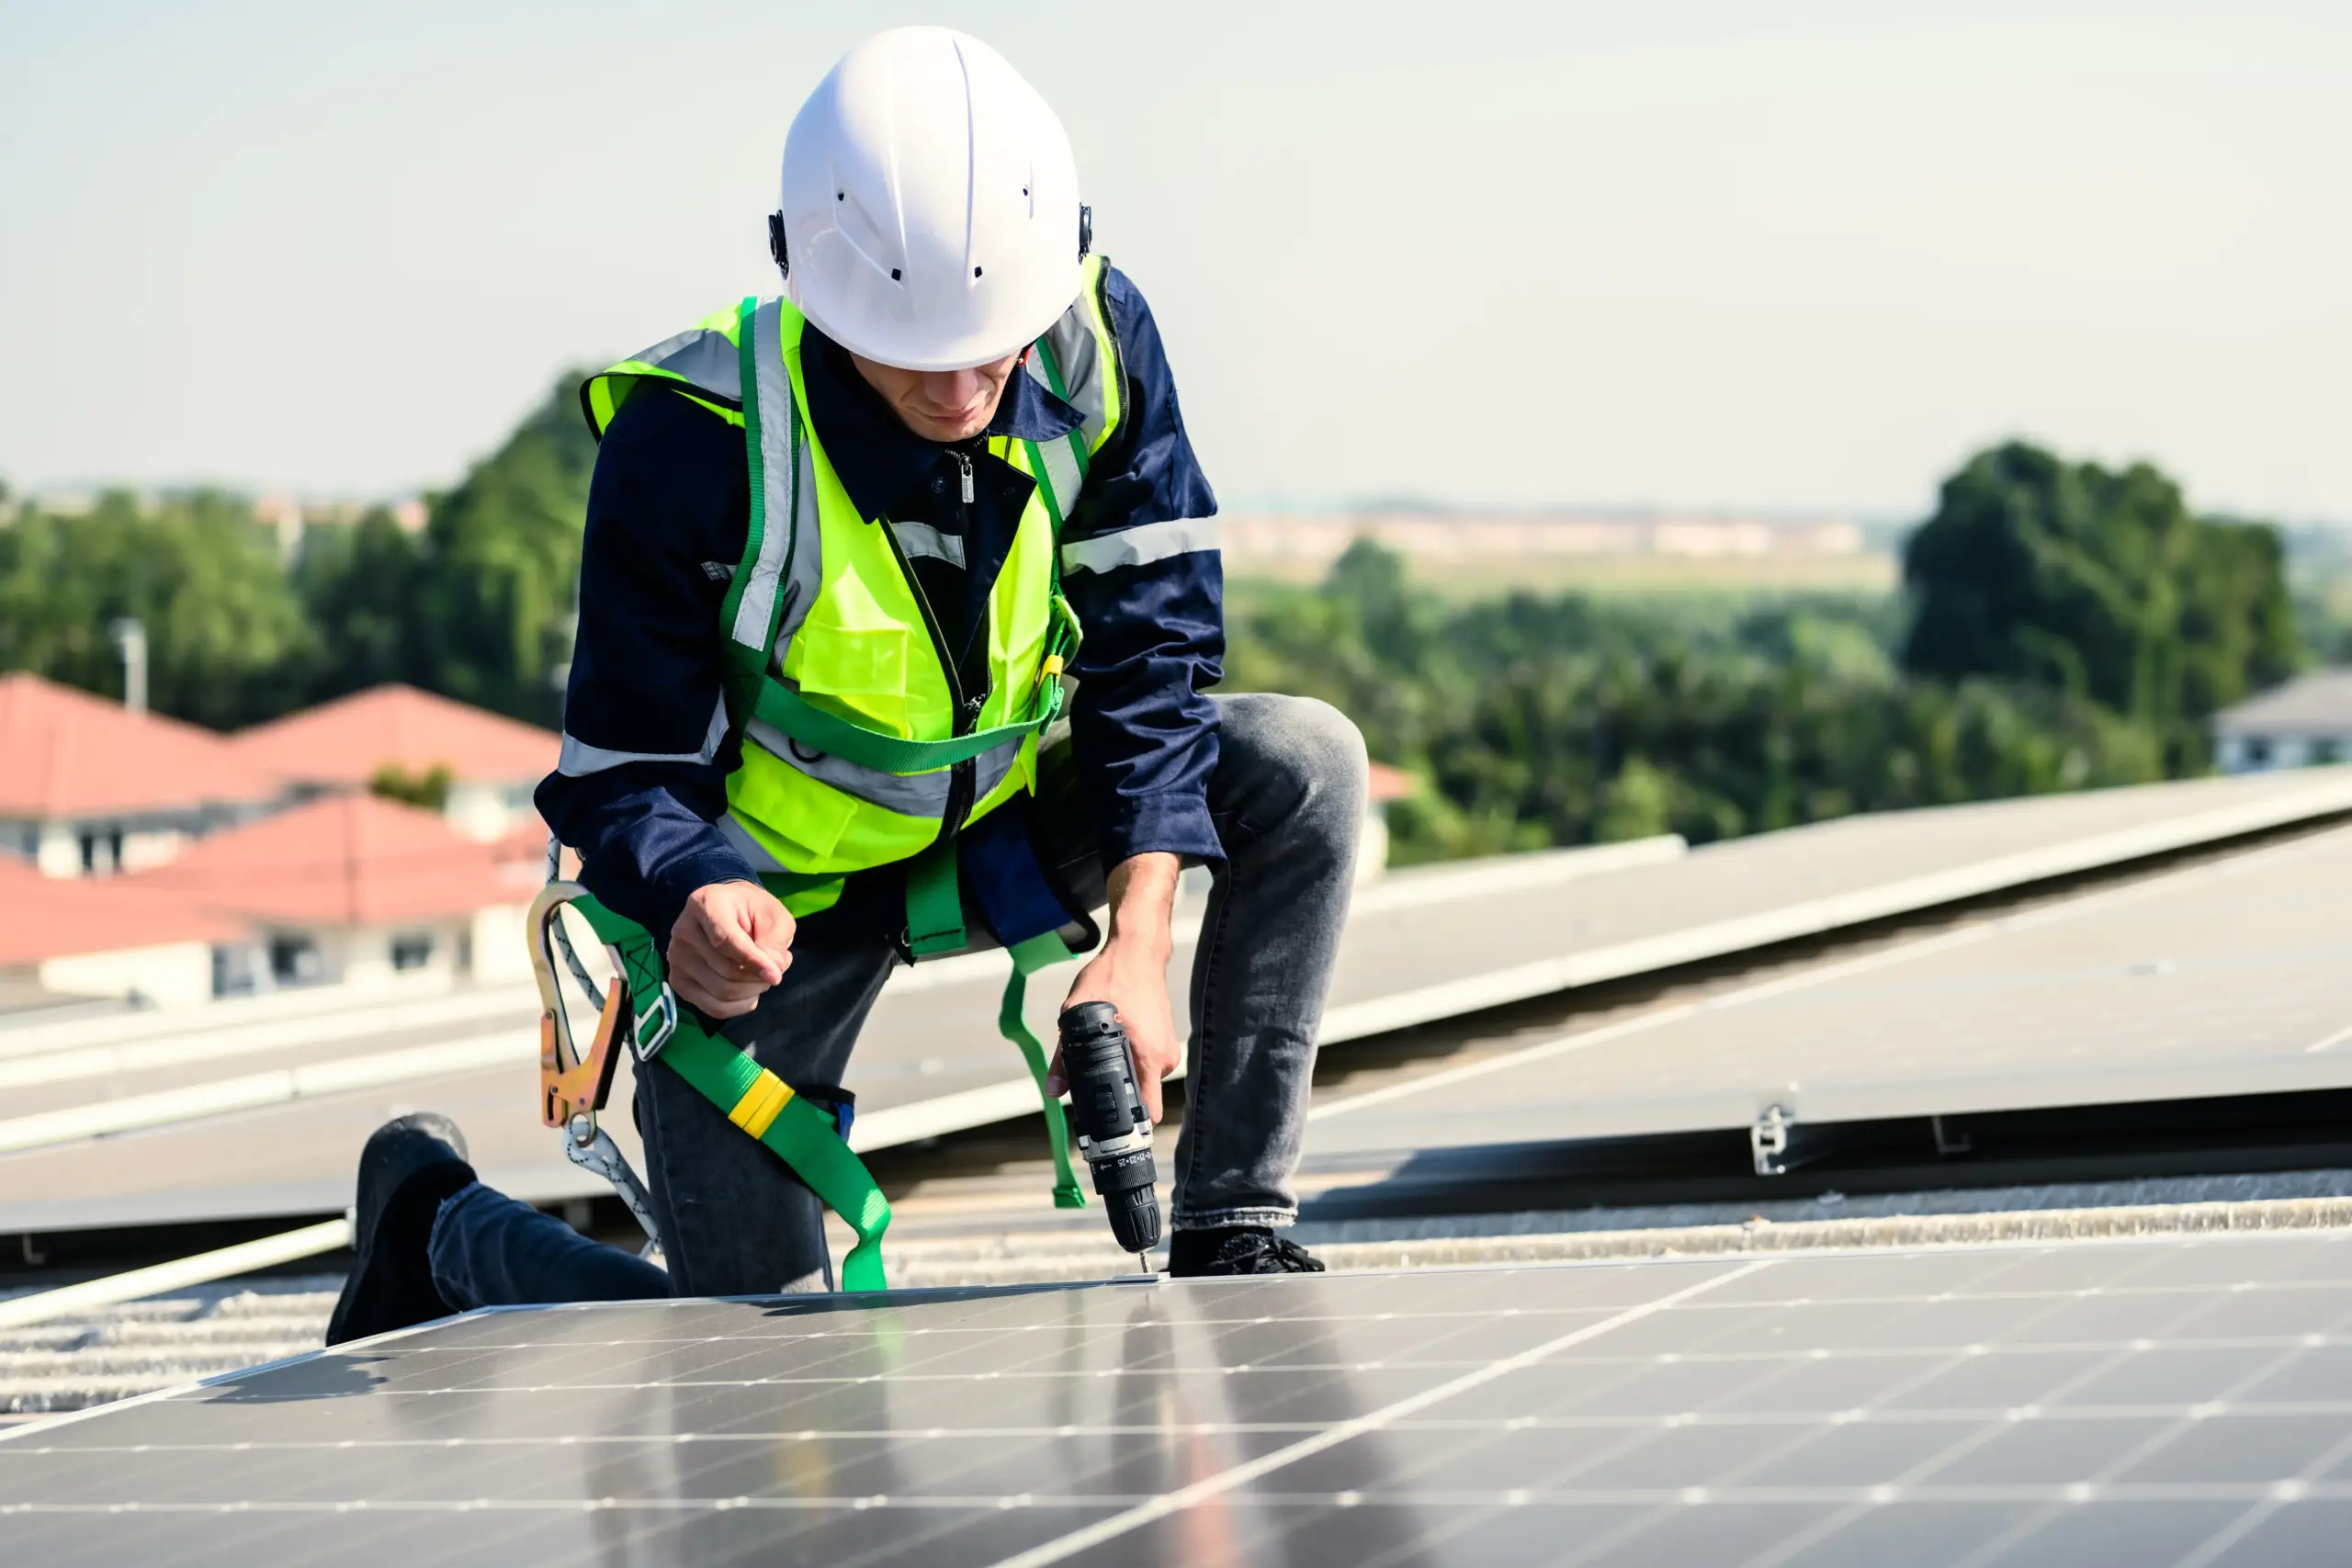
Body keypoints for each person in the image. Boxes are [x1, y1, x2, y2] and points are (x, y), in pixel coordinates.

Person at [328, 26, 1365, 1346]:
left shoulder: (1089, 335)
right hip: (773, 913)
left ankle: (1234, 1226)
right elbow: (622, 773)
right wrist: (696, 895)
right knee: (758, 1350)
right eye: (917, 351)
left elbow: (1150, 654)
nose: (963, 386)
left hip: (1000, 831)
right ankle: (437, 1226)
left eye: (989, 346)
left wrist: (1141, 941)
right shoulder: (692, 438)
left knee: (1305, 763)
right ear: (813, 289)